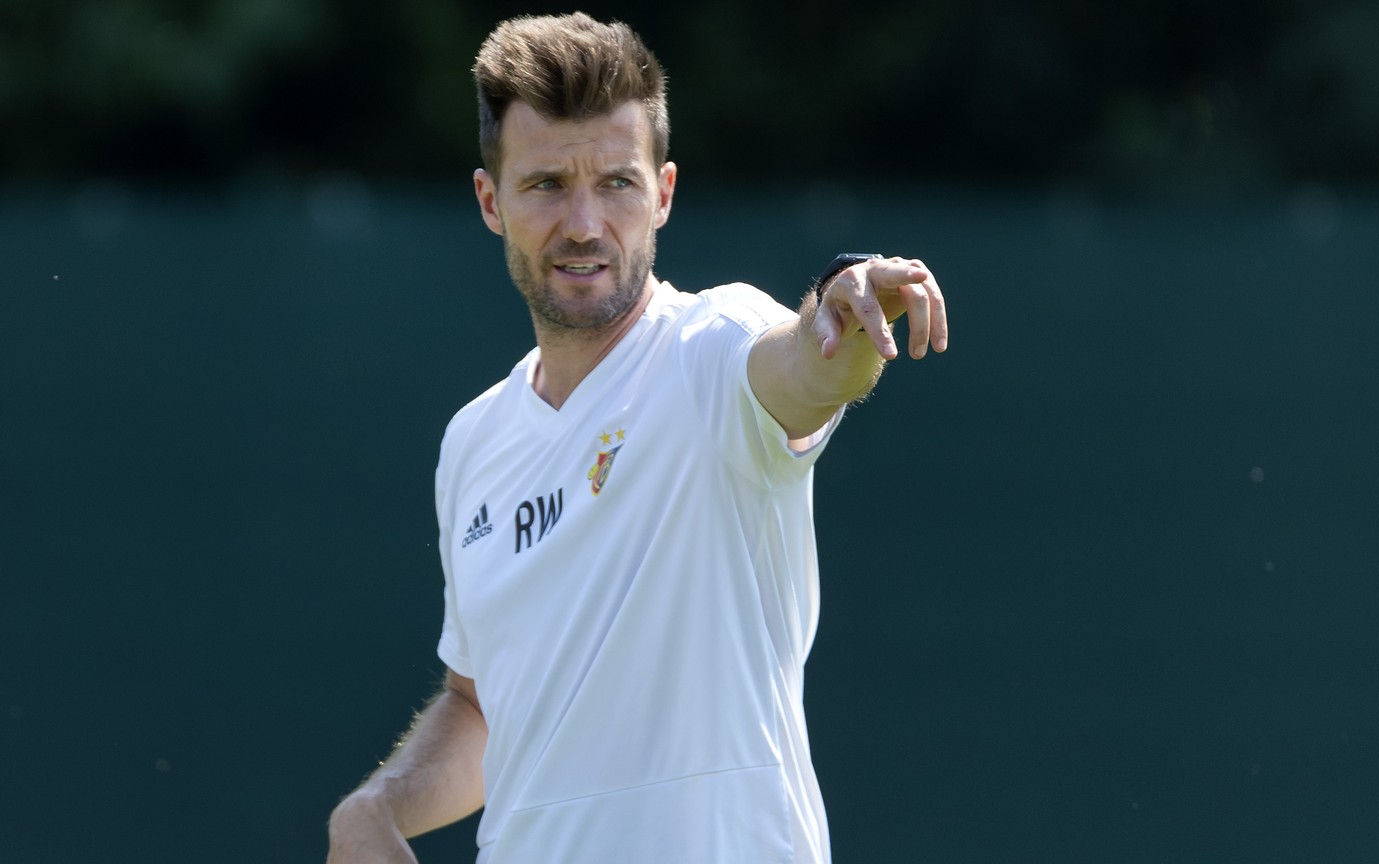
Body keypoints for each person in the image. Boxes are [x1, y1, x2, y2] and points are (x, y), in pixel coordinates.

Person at [326, 11, 947, 864]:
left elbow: (806, 370)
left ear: (662, 193)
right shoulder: (473, 441)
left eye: (616, 183)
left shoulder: (714, 344)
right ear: (490, 200)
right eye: (546, 185)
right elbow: (483, 706)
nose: (584, 224)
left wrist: (839, 316)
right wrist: (376, 808)